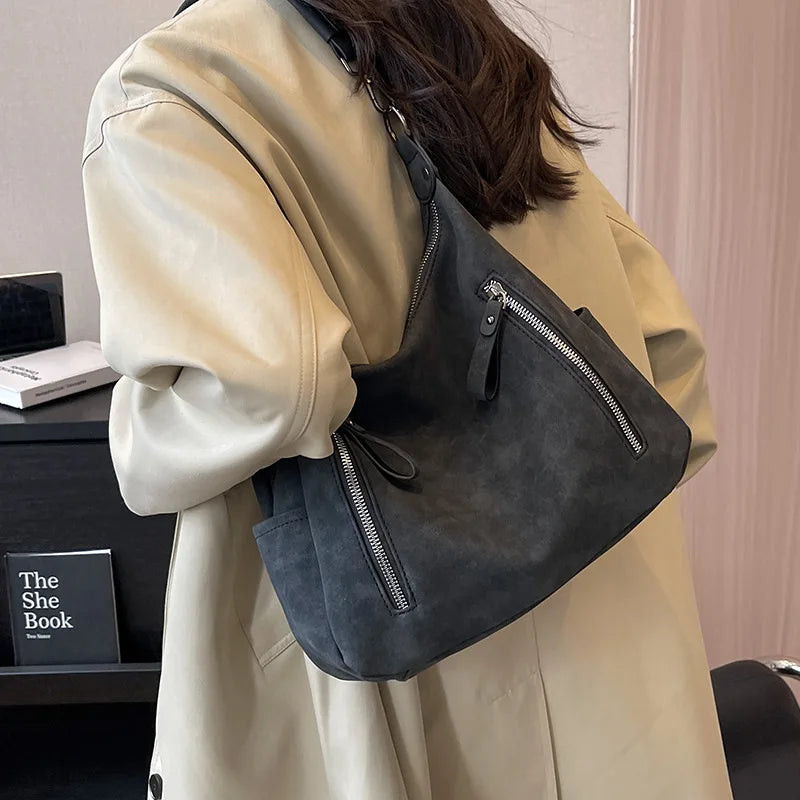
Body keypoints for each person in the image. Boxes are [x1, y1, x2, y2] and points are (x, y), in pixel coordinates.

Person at [81, 0, 733, 797]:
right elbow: (669, 360)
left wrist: (136, 432)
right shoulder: (471, 54)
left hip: (379, 644)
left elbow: (275, 388)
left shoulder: (171, 88)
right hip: (608, 648)